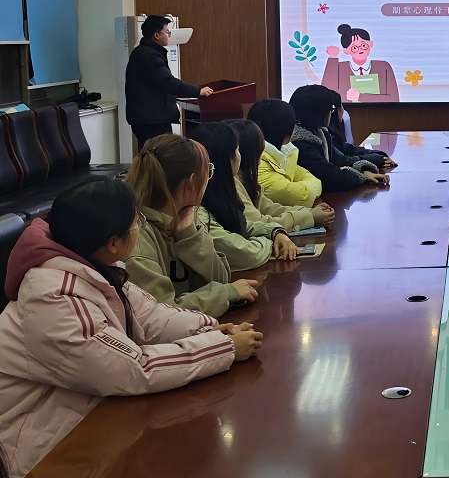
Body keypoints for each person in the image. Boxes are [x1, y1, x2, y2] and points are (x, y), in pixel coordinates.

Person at [0, 178, 262, 475]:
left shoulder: (96, 267)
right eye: (136, 222)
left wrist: (209, 330)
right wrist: (223, 348)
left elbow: (151, 316)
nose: (140, 226)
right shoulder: (54, 297)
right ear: (113, 243)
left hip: (83, 413)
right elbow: (135, 369)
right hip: (37, 448)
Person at [124, 134, 260, 317]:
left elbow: (221, 277)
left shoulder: (186, 215)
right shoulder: (137, 240)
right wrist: (225, 293)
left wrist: (190, 236)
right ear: (191, 183)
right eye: (208, 173)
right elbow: (161, 315)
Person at [191, 123, 299, 270]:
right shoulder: (198, 213)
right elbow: (248, 254)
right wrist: (270, 242)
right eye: (237, 150)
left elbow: (244, 224)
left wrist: (275, 232)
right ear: (227, 159)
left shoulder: (222, 191)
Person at [225, 119, 335, 231]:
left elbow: (269, 208)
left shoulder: (245, 177)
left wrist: (310, 212)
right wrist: (310, 217)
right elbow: (259, 223)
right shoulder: (231, 184)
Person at [125, 15, 214, 150]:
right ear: (156, 35)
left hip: (150, 117)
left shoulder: (146, 52)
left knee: (152, 155)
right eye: (167, 32)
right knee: (160, 156)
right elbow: (167, 82)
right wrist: (198, 91)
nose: (169, 35)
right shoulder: (148, 56)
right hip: (152, 120)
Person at [289, 85, 390, 192]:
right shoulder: (301, 144)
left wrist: (365, 171)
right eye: (330, 109)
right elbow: (333, 178)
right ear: (319, 113)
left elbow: (339, 160)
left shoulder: (321, 133)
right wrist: (363, 176)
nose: (331, 113)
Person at [247, 99, 324, 207]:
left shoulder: (285, 152)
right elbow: (301, 197)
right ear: (287, 130)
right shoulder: (257, 163)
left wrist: (305, 188)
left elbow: (315, 180)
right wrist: (307, 189)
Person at [322, 86, 397, 169]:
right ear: (334, 110)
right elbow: (343, 161)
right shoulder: (324, 134)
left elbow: (347, 149)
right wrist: (377, 159)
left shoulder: (331, 130)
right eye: (342, 106)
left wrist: (379, 155)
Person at [321, 24, 399, 103]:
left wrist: (360, 97)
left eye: (364, 45)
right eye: (354, 48)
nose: (360, 49)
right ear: (346, 51)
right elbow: (325, 94)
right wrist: (333, 57)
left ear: (370, 44)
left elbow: (394, 98)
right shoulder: (340, 68)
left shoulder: (383, 66)